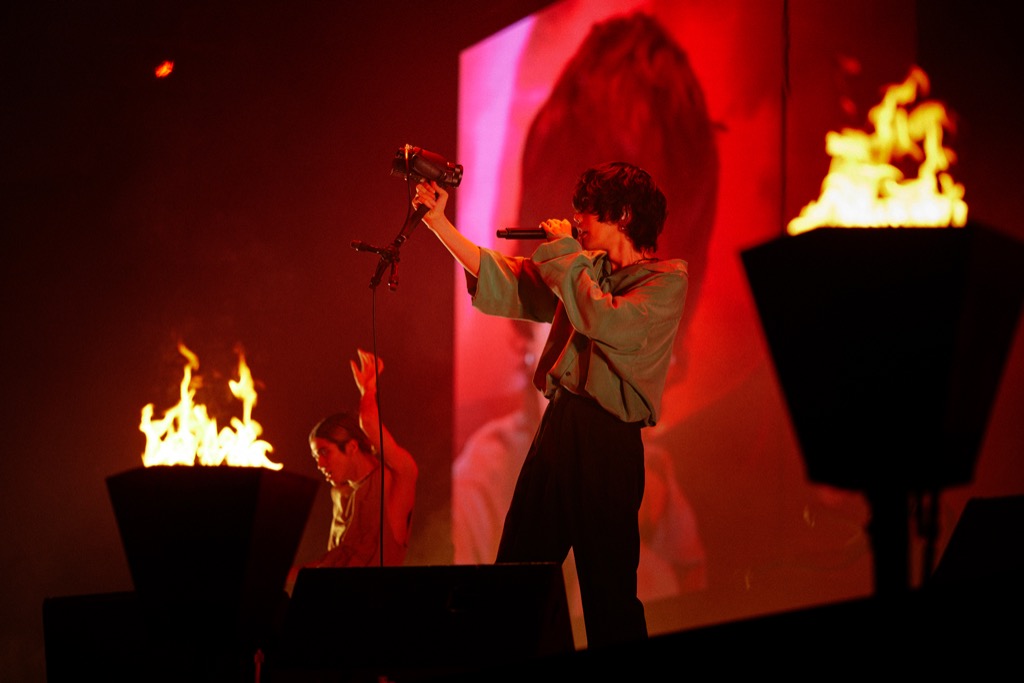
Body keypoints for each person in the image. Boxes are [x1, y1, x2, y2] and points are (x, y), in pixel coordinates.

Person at [414, 161, 688, 648]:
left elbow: (606, 321)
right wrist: (439, 224)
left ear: (623, 215)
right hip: (561, 427)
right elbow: (509, 279)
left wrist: (565, 253)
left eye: (589, 211)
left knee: (609, 591)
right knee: (518, 572)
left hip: (609, 441)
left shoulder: (665, 282)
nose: (577, 219)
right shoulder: (583, 271)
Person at [305, 348, 418, 568]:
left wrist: (368, 390)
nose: (319, 464)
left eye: (324, 452)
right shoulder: (340, 494)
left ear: (352, 446)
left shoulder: (397, 478)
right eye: (316, 456)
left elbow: (367, 421)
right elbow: (329, 565)